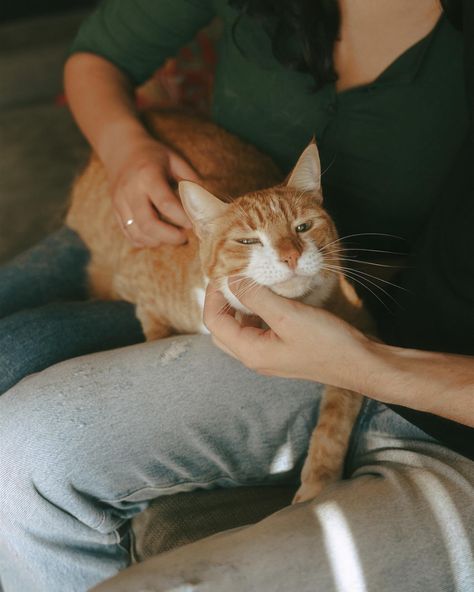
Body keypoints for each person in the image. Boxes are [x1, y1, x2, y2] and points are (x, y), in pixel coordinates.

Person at [0, 0, 473, 590]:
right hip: (155, 213)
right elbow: (98, 56)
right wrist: (126, 152)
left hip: (273, 266)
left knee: (11, 356)